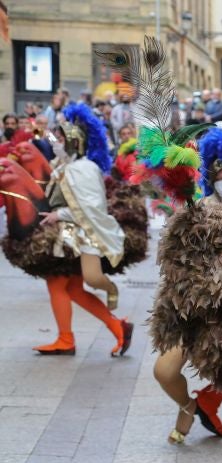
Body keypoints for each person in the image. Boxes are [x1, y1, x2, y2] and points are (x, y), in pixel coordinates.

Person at [155, 127, 222, 447]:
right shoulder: (197, 212)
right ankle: (194, 405)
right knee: (164, 371)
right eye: (220, 176)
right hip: (198, 313)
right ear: (210, 180)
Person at [34, 103, 133, 356]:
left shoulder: (85, 168)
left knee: (70, 283)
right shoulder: (61, 165)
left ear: (74, 143)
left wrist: (60, 214)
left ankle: (69, 337)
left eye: (60, 139)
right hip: (65, 235)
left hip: (81, 234)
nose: (55, 142)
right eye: (55, 138)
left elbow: (92, 208)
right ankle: (116, 327)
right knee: (69, 287)